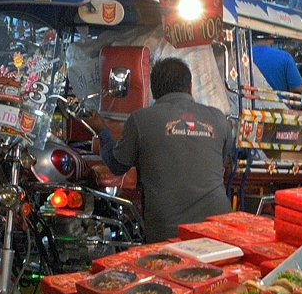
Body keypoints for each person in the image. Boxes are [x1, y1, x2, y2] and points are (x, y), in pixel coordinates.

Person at [85, 58, 232, 243]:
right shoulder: (218, 118)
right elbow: (223, 160)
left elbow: (116, 165)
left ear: (154, 91)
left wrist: (101, 129)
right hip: (218, 223)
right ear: (190, 87)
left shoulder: (141, 119)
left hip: (168, 230)